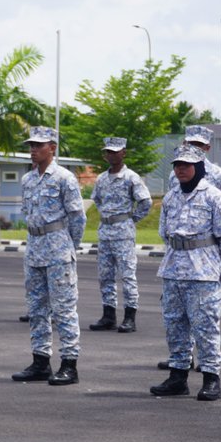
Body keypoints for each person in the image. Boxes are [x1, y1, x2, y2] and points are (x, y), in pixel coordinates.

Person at [149, 144, 221, 401]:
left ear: (198, 167)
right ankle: (178, 377)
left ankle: (211, 378)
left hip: (203, 273)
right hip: (173, 269)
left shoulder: (214, 197)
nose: (181, 169)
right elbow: (164, 232)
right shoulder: (170, 197)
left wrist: (211, 261)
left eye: (186, 165)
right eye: (177, 165)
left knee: (205, 327)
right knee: (174, 325)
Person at [11, 127, 86, 386]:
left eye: (38, 145)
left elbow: (77, 217)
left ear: (52, 148)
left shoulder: (65, 178)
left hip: (58, 251)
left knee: (64, 309)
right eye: (31, 145)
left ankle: (69, 364)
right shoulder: (27, 180)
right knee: (37, 308)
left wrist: (67, 246)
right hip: (34, 249)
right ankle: (40, 360)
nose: (33, 150)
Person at [88, 138, 152, 333]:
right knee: (105, 276)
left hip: (123, 233)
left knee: (127, 276)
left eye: (115, 151)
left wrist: (130, 219)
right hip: (105, 232)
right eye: (108, 151)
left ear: (123, 153)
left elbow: (145, 202)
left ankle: (129, 318)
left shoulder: (131, 177)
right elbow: (97, 201)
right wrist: (107, 216)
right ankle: (108, 316)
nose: (111, 155)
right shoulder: (101, 179)